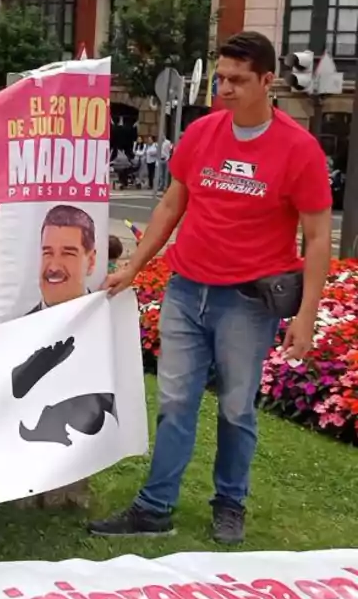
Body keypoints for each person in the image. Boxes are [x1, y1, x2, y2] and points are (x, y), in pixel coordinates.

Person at [91, 31, 333, 545]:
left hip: (247, 302)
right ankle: (155, 508)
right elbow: (170, 205)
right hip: (186, 291)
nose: (224, 89)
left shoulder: (299, 149)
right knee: (174, 402)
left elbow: (316, 238)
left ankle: (230, 503)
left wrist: (307, 315)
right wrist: (134, 266)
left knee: (236, 408)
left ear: (267, 81)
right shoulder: (202, 133)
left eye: (237, 80)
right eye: (221, 77)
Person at [28, 204, 97, 314]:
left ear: (91, 261)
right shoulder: (20, 325)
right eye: (48, 253)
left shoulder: (111, 321)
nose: (54, 267)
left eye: (67, 254)